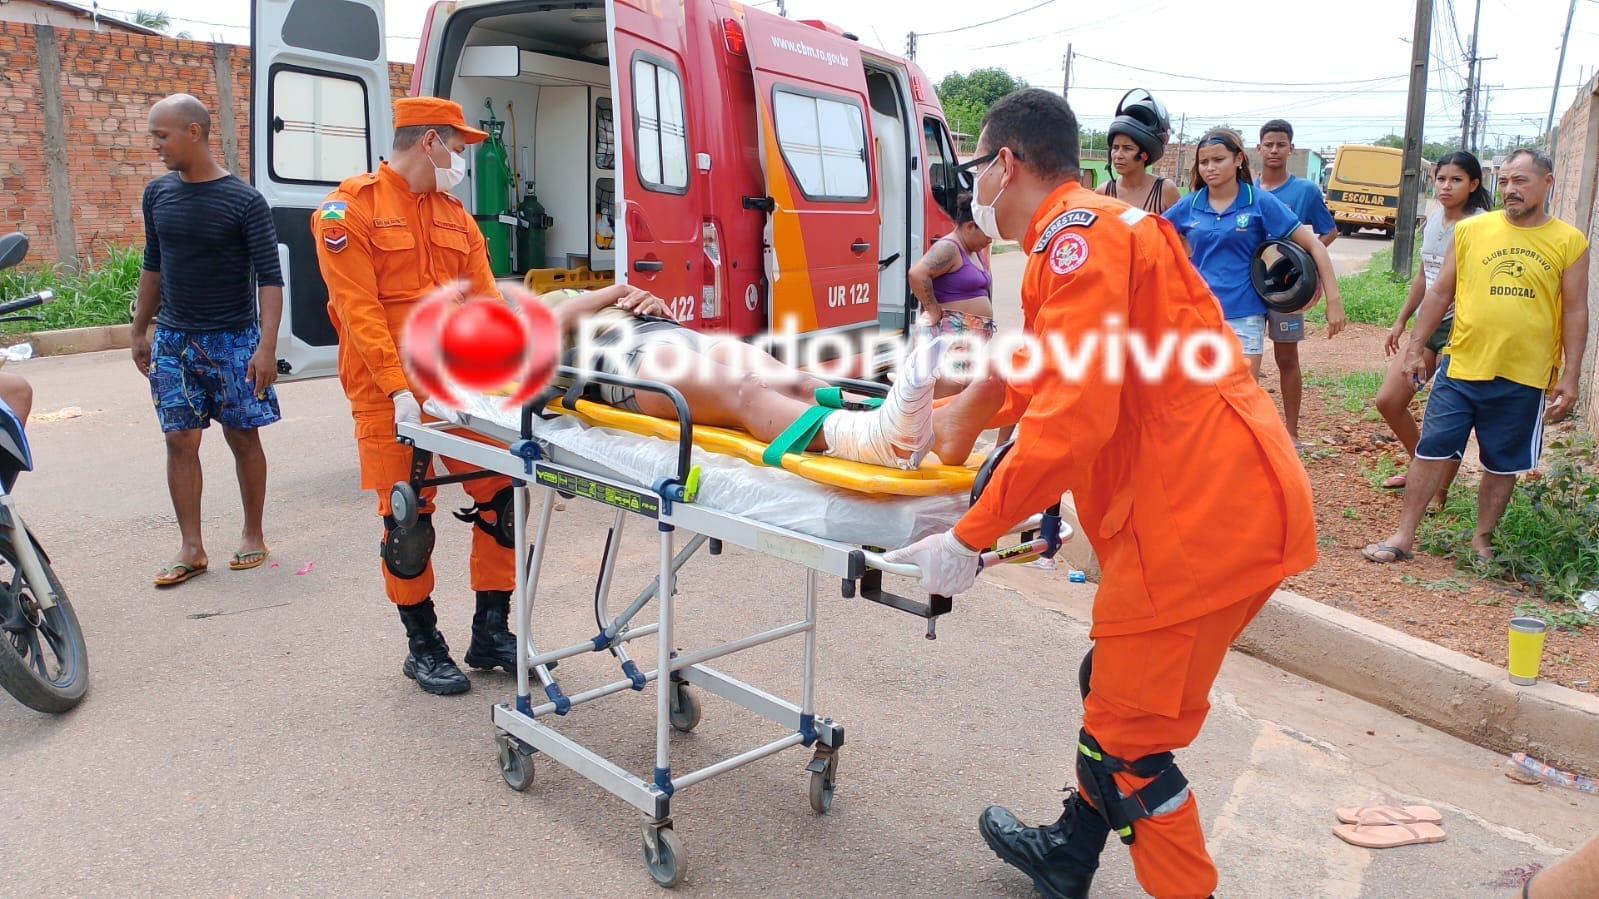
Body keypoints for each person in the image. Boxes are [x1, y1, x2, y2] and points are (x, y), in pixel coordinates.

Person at [883, 89, 1317, 899]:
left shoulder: (1077, 241)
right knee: (1109, 687)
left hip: (1197, 521)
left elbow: (1071, 418)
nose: (973, 185)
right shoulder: (1090, 233)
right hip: (1225, 504)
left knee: (1129, 743)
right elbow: (1049, 372)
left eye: (977, 166)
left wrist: (968, 536)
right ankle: (1068, 851)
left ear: (1003, 164)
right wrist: (949, 417)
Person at [312, 97, 526, 697]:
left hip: (460, 390)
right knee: (408, 521)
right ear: (429, 141)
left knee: (504, 497)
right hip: (388, 392)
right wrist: (398, 389)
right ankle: (422, 643)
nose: (460, 160)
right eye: (457, 147)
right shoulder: (347, 210)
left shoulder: (457, 217)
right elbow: (359, 313)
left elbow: (486, 305)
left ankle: (491, 631)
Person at [1363, 148, 1589, 566]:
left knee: (1502, 463)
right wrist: (1415, 348)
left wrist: (1570, 373)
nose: (1511, 190)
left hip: (1525, 374)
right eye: (1504, 181)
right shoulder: (1472, 231)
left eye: (1521, 181)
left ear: (1548, 182)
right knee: (1431, 450)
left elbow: (1576, 310)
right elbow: (1439, 292)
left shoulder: (1569, 241)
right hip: (1462, 364)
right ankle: (1403, 535)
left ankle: (1481, 542)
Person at [535, 282, 943, 468]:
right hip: (622, 356)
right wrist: (614, 290)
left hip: (674, 335)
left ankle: (930, 431)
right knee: (746, 392)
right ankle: (877, 440)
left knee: (795, 382)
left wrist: (639, 297)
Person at [132, 93, 283, 588]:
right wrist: (141, 328)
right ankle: (191, 548)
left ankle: (253, 534)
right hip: (174, 339)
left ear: (193, 132)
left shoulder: (244, 201)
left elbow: (270, 277)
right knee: (178, 439)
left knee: (242, 438)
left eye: (161, 135)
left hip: (234, 341)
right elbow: (153, 265)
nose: (155, 145)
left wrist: (265, 346)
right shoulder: (158, 194)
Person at [1162, 128, 1346, 385]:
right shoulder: (1189, 204)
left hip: (1244, 316)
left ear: (1238, 160)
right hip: (1196, 315)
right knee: (1200, 401)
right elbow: (1151, 236)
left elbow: (1315, 246)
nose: (1210, 168)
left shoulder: (1260, 202)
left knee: (1241, 400)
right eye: (1204, 162)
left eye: (1218, 160)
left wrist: (1333, 301)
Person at [1372, 151, 1492, 505]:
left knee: (1448, 413)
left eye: (1456, 180)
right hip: (1430, 323)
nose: (1446, 186)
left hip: (1463, 328)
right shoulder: (1435, 218)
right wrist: (1401, 320)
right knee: (1389, 400)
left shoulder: (1483, 226)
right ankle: (1419, 466)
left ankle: (1439, 491)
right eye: (1441, 179)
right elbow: (1426, 275)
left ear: (1474, 184)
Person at [1257, 119, 1339, 444]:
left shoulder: (1304, 190)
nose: (1274, 150)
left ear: (1291, 148)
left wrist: (1303, 261)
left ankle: (1291, 432)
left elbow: (1328, 230)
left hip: (1286, 290)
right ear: (1258, 147)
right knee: (1243, 358)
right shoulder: (1245, 188)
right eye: (1268, 144)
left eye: (1281, 144)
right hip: (1248, 284)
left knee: (1286, 358)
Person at [907, 192, 996, 397]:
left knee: (959, 401)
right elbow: (917, 274)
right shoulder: (949, 248)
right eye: (987, 234)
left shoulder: (973, 251)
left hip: (968, 342)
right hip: (949, 339)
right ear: (970, 226)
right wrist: (933, 310)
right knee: (944, 403)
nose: (989, 240)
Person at [1095, 88, 1179, 214]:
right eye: (1115, 147)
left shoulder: (1165, 191)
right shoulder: (1103, 192)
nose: (1118, 155)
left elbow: (1180, 233)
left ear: (1144, 155)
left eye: (1127, 148)